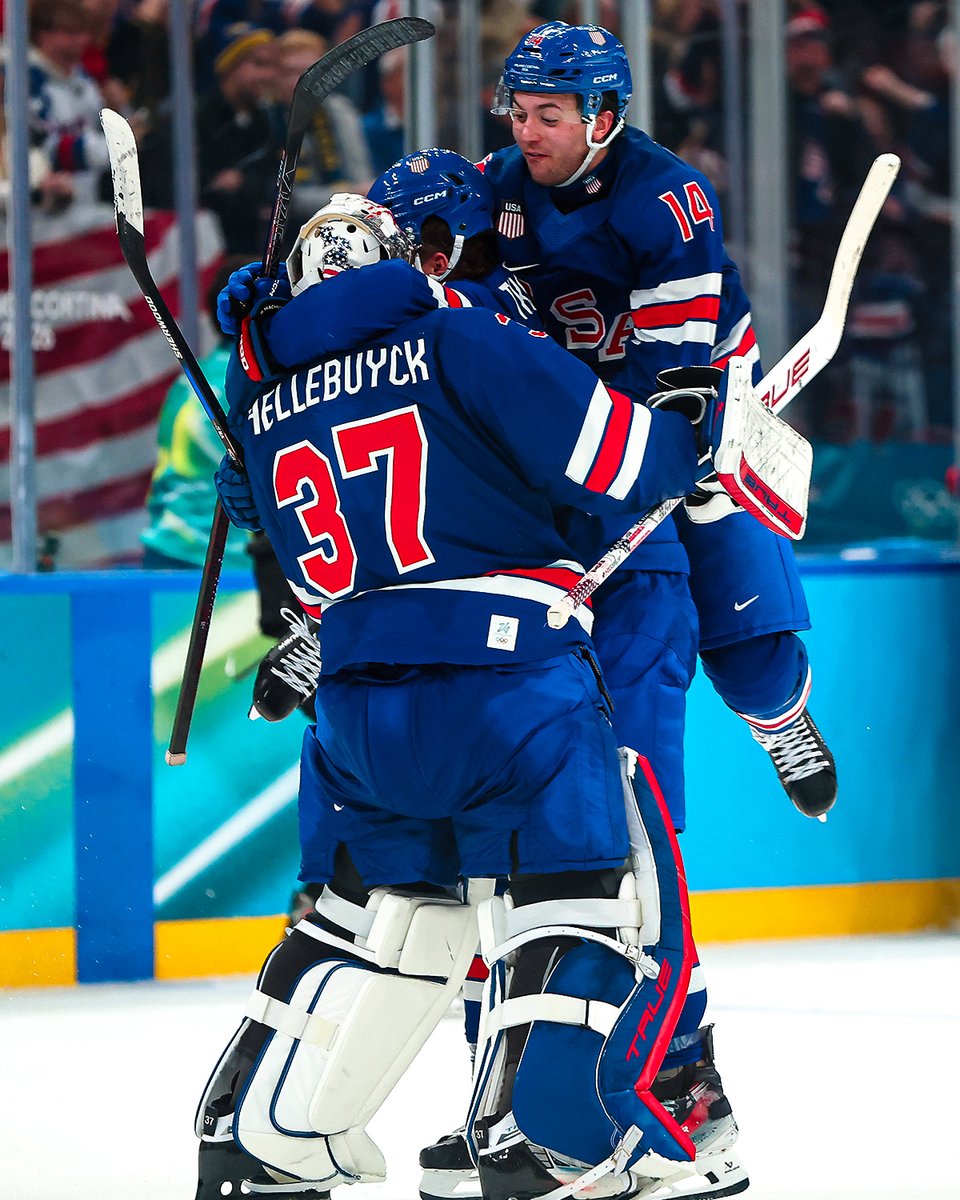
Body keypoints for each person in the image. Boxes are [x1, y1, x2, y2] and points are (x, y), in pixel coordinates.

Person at [194, 191, 794, 1200]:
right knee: (588, 904)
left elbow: (308, 577)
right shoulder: (460, 341)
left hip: (353, 709)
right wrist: (688, 432)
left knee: (378, 925)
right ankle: (542, 1140)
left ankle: (257, 1137)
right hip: (505, 686)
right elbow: (623, 462)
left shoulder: (260, 406)